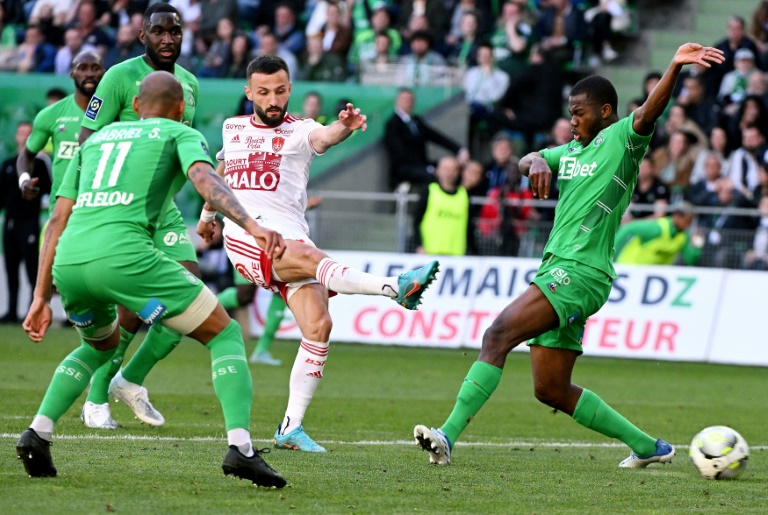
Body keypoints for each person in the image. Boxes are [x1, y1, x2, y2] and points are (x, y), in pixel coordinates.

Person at [413, 43, 724, 468]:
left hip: (581, 271)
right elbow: (527, 160)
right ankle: (649, 447)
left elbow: (650, 112)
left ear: (605, 111)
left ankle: (447, 435)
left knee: (497, 335)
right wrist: (538, 162)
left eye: (579, 113)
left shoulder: (623, 140)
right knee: (551, 389)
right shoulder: (570, 152)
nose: (572, 120)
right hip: (560, 268)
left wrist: (674, 66)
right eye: (570, 113)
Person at [17, 71, 286, 488]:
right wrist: (252, 224)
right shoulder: (179, 132)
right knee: (224, 333)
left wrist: (39, 297)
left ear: (136, 106)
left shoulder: (95, 141)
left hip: (70, 260)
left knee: (100, 345)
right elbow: (206, 180)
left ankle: (39, 431)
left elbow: (56, 218)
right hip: (125, 255)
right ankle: (241, 449)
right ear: (181, 108)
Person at [200, 55, 440, 453]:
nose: (273, 99)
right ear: (249, 92)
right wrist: (209, 215)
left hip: (293, 238)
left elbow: (325, 137)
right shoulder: (233, 127)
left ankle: (290, 428)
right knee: (310, 260)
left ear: (289, 89)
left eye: (280, 91)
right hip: (247, 236)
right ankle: (393, 287)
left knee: (318, 326)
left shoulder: (301, 130)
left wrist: (344, 126)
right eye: (263, 92)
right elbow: (219, 174)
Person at [75, 2, 199, 430]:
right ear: (142, 35)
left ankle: (129, 379)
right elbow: (87, 138)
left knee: (188, 297)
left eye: (174, 31)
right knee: (129, 308)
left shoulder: (189, 84)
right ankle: (96, 398)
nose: (167, 38)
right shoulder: (118, 76)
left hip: (163, 209)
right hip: (122, 208)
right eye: (158, 31)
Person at [18, 51, 105, 219]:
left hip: (100, 207)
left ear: (104, 73)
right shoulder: (52, 114)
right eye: (83, 68)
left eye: (95, 68)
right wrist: (24, 180)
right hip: (62, 209)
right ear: (72, 73)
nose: (89, 74)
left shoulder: (116, 113)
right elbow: (26, 155)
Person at [1, 122, 51, 323]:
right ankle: (12, 311)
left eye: (28, 133)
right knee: (11, 269)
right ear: (16, 136)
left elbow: (48, 191)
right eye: (20, 133)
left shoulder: (39, 165)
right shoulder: (7, 164)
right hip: (10, 224)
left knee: (32, 271)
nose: (23, 137)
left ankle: (34, 311)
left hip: (29, 223)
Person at [383, 87, 468, 190]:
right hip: (405, 168)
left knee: (453, 170)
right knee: (432, 177)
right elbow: (398, 152)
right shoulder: (392, 124)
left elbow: (436, 137)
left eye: (410, 99)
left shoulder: (416, 121)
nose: (408, 102)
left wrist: (459, 149)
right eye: (405, 99)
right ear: (397, 101)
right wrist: (428, 169)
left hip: (422, 165)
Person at [412, 156, 474, 256]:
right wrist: (419, 245)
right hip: (430, 253)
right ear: (438, 171)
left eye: (453, 169)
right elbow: (416, 220)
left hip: (456, 255)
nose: (449, 172)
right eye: (445, 168)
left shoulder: (464, 194)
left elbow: (469, 227)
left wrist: (473, 251)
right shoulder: (430, 191)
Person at [614, 202, 703, 265]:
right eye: (686, 221)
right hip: (631, 269)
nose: (688, 226)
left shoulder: (683, 237)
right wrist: (610, 256)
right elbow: (627, 228)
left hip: (655, 276)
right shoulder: (657, 228)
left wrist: (696, 247)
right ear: (677, 216)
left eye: (690, 223)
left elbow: (690, 261)